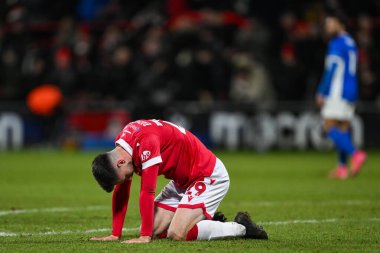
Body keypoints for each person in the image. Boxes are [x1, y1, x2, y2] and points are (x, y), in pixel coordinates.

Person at [90, 119, 268, 243]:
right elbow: (121, 191)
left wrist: (144, 237)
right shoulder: (123, 145)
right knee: (155, 230)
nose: (130, 178)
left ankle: (242, 228)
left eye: (127, 176)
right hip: (182, 181)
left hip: (206, 175)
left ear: (120, 162)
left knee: (177, 233)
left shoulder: (146, 141)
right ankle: (204, 220)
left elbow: (147, 191)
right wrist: (115, 234)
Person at [316, 11, 367, 180]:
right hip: (351, 89)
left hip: (338, 90)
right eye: (327, 24)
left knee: (329, 126)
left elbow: (331, 69)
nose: (328, 27)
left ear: (341, 24)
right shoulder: (351, 41)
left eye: (331, 23)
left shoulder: (337, 43)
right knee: (343, 129)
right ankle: (342, 169)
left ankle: (356, 154)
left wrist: (322, 91)